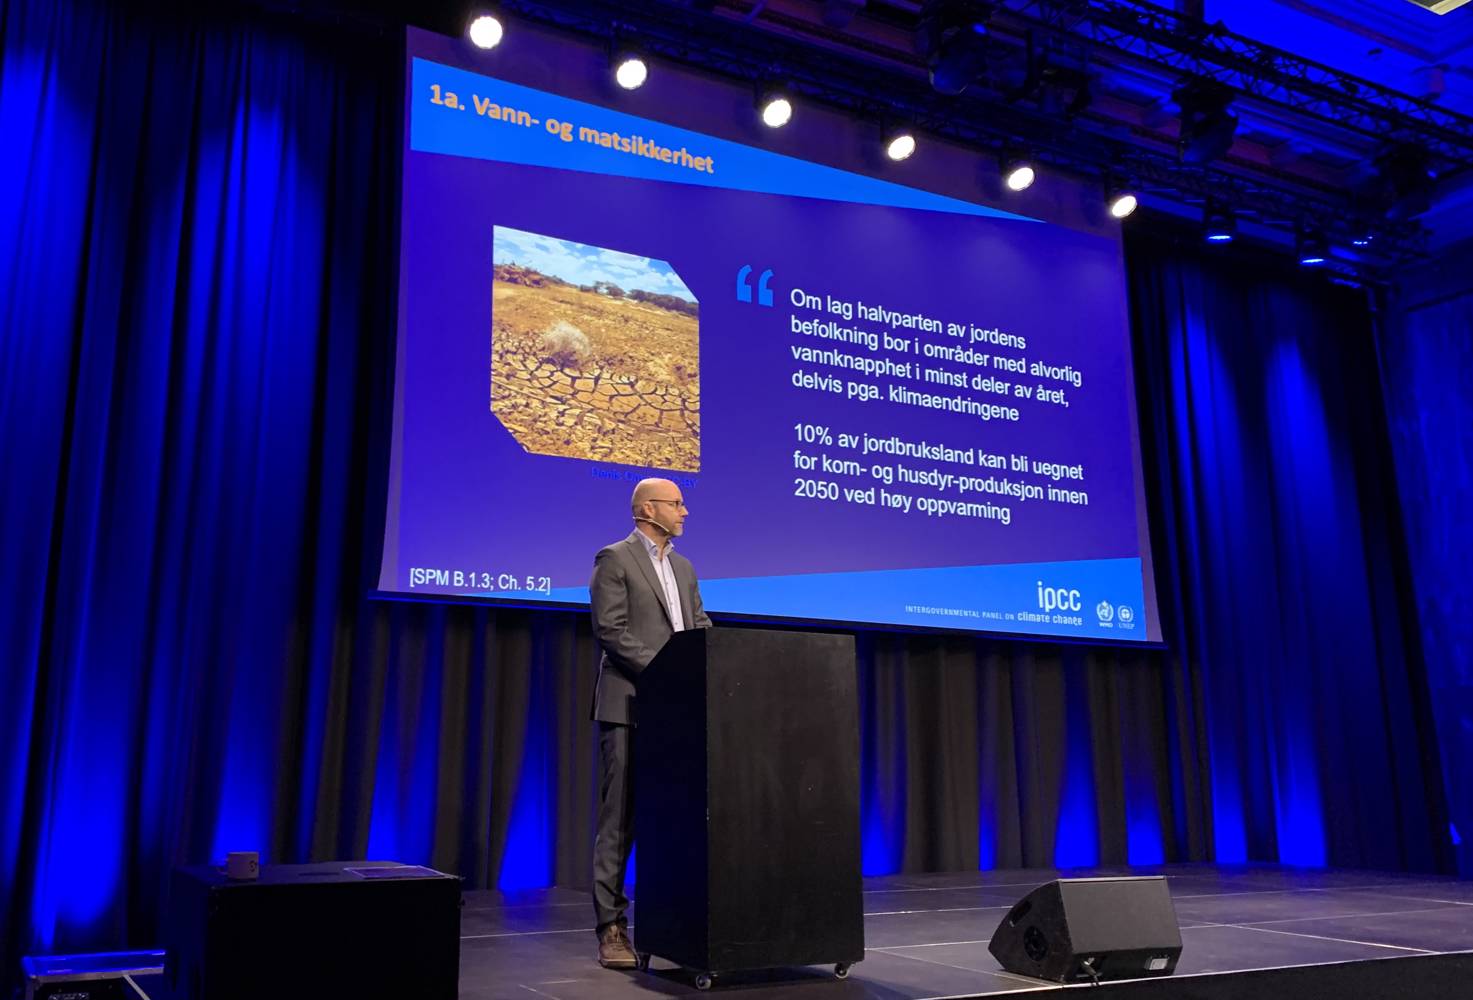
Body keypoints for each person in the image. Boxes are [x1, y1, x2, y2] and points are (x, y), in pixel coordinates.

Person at [589, 477, 712, 969]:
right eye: (677, 503)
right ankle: (611, 928)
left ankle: (672, 922)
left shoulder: (683, 567)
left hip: (677, 711)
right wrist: (665, 672)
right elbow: (610, 630)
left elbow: (699, 626)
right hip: (629, 705)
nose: (685, 512)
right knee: (620, 820)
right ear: (647, 509)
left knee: (678, 819)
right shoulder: (614, 558)